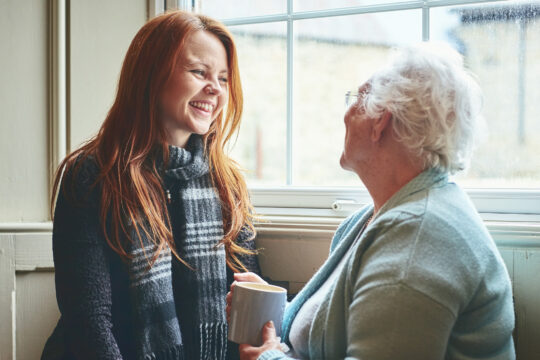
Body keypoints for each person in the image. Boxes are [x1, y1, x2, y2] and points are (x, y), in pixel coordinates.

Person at [227, 42, 515, 359]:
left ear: (381, 122)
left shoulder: (419, 235)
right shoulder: (376, 217)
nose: (346, 114)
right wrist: (274, 309)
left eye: (357, 98)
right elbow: (333, 328)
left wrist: (269, 358)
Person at [41, 10, 260, 360]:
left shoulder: (228, 183)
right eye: (199, 72)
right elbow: (89, 321)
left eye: (223, 78)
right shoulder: (91, 175)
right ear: (150, 76)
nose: (215, 89)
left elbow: (249, 302)